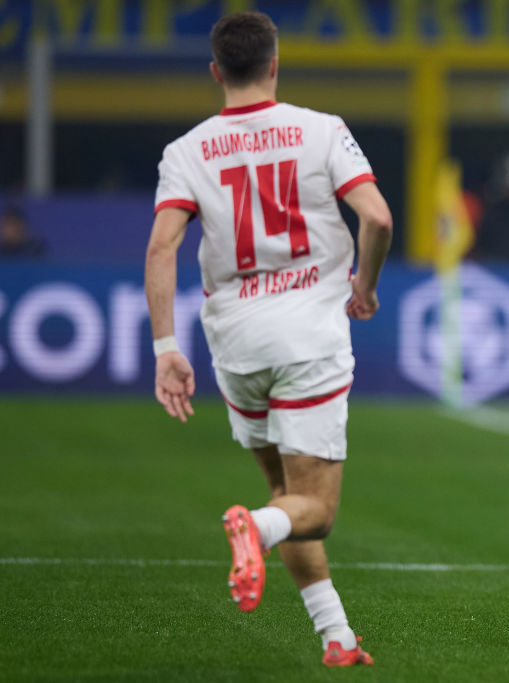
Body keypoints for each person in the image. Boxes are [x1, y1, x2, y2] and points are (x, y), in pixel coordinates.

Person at [144, 11, 392, 667]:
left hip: (236, 346)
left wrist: (166, 348)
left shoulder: (187, 151)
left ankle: (337, 638)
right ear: (275, 65)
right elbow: (377, 217)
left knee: (289, 497)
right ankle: (251, 527)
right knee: (312, 510)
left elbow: (162, 248)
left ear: (216, 72)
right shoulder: (322, 131)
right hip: (309, 337)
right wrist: (365, 286)